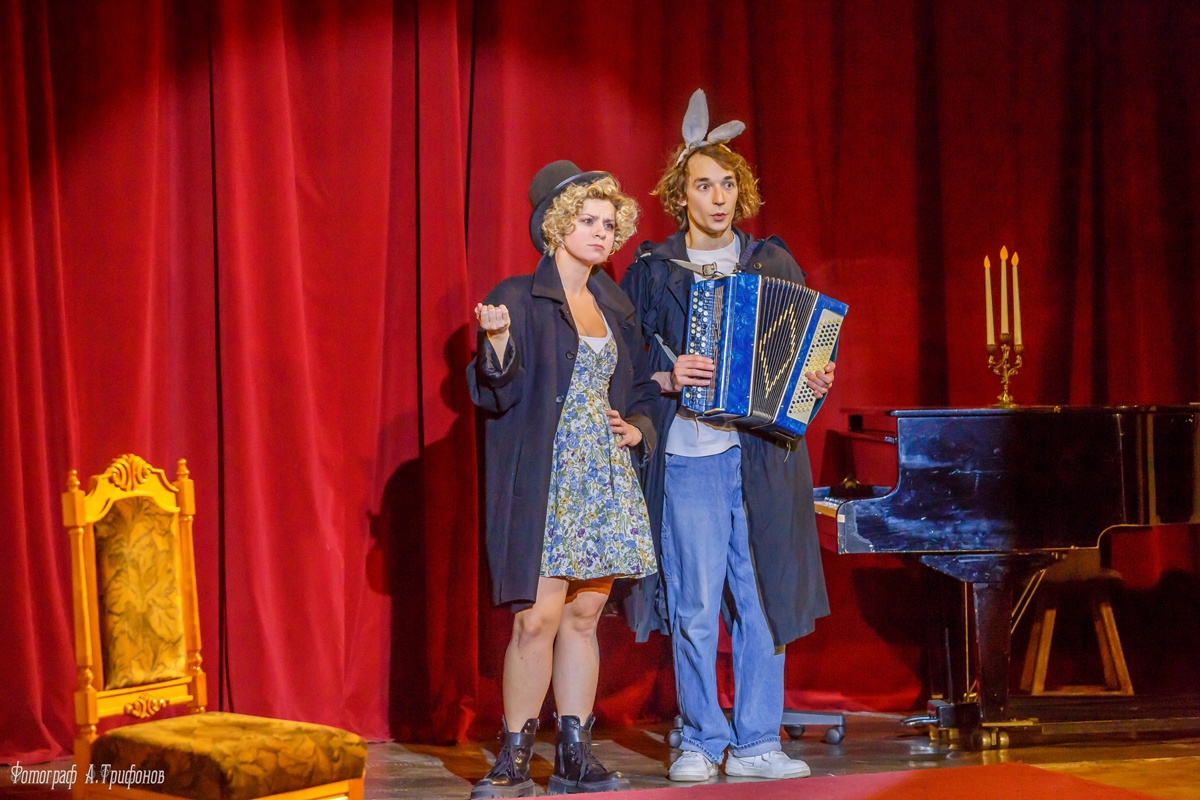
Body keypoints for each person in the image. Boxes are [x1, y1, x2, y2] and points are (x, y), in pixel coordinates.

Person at [619, 90, 836, 782]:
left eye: (728, 184)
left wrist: (815, 378)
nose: (718, 197)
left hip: (763, 458)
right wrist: (667, 374)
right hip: (689, 457)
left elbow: (803, 360)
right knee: (694, 607)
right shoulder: (654, 273)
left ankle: (757, 741)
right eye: (703, 185)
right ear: (680, 195)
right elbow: (621, 367)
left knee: (763, 600)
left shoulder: (772, 263)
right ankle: (699, 738)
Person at [467, 161, 659, 797]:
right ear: (557, 227)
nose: (601, 232)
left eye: (608, 222)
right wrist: (498, 342)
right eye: (587, 221)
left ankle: (574, 757)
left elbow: (638, 388)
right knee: (536, 619)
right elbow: (496, 393)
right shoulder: (520, 297)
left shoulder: (615, 305)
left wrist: (638, 428)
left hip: (602, 475)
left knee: (584, 615)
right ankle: (515, 759)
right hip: (548, 478)